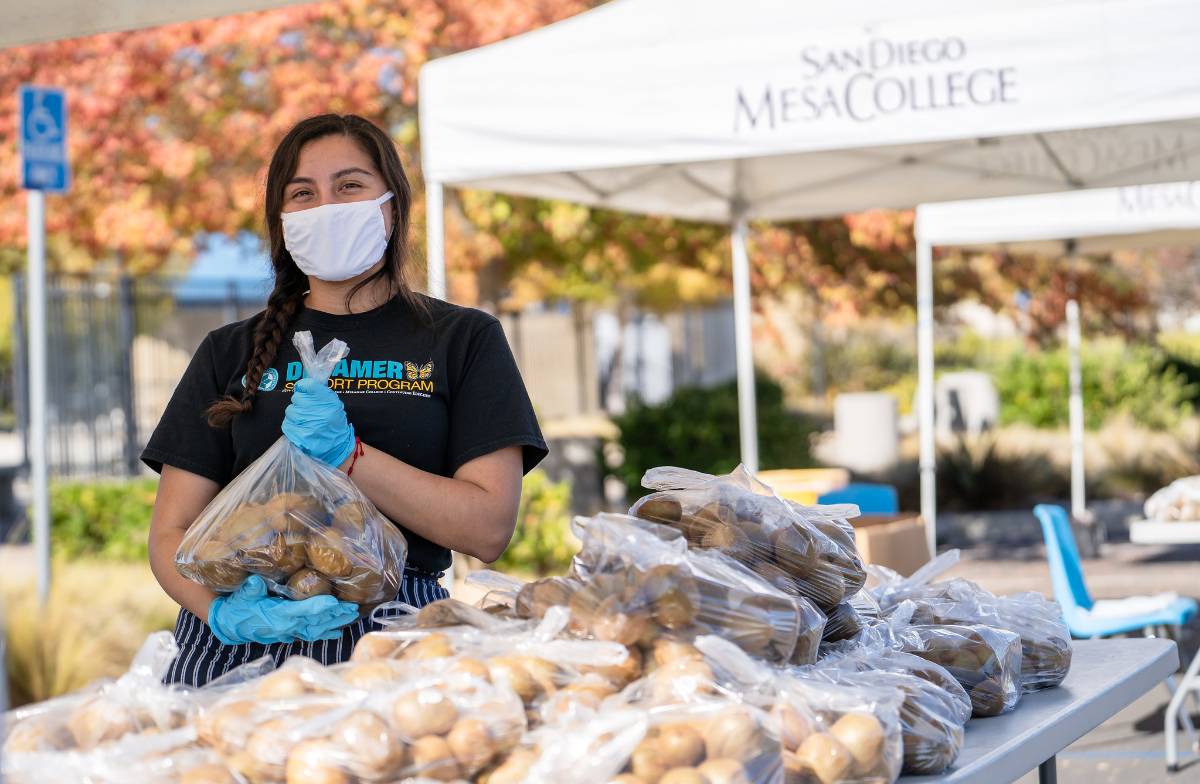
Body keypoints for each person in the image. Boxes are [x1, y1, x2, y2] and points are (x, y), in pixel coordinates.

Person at [142, 113, 547, 686]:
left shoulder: (461, 339)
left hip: (394, 649)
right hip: (238, 644)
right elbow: (170, 534)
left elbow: (487, 529)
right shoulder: (226, 351)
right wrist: (224, 614)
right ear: (282, 222)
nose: (326, 206)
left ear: (392, 204)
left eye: (349, 186)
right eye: (302, 193)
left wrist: (348, 456)